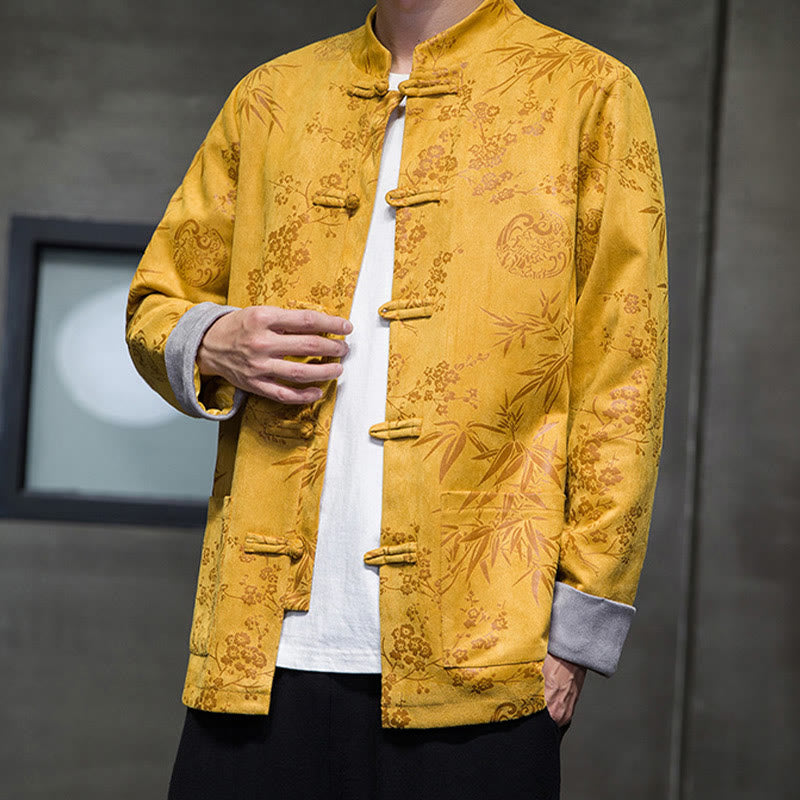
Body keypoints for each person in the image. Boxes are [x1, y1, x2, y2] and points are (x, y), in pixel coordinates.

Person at [126, 0, 668, 797]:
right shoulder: (271, 94)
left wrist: (578, 635)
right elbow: (157, 302)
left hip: (481, 656)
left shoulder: (588, 91)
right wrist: (212, 339)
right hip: (258, 651)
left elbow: (624, 376)